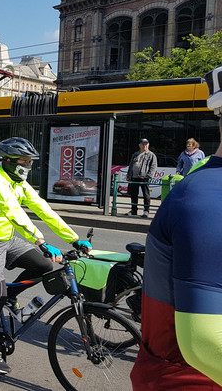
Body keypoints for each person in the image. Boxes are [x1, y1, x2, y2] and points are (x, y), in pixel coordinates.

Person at [0, 137, 92, 375]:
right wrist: (41, 241)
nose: (28, 165)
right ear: (9, 160)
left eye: (30, 161)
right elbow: (15, 214)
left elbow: (43, 209)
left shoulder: (18, 182)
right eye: (24, 160)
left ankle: (11, 294)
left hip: (6, 239)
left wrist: (73, 238)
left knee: (43, 266)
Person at [130, 66, 222, 389]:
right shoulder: (206, 198)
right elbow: (202, 342)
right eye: (140, 144)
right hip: (190, 381)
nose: (142, 146)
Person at [125, 138, 157, 218]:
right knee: (133, 194)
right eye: (143, 144)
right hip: (134, 177)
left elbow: (153, 166)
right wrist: (129, 175)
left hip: (144, 178)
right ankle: (134, 210)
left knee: (146, 194)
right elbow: (131, 165)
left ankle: (146, 211)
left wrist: (148, 176)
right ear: (139, 145)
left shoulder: (151, 155)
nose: (144, 146)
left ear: (148, 145)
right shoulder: (135, 154)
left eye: (146, 144)